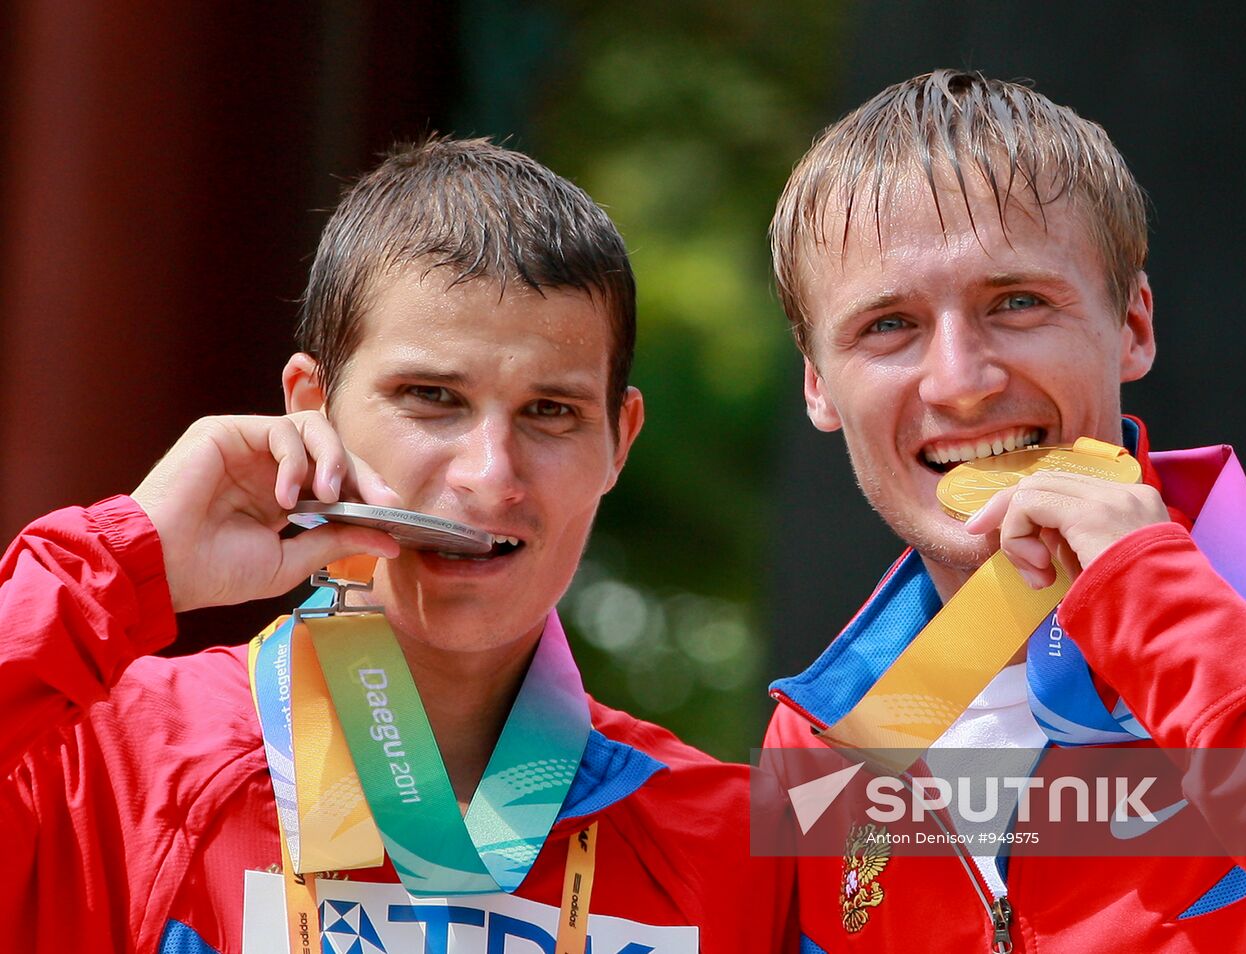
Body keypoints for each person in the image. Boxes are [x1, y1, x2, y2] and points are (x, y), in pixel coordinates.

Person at [0, 138, 793, 953]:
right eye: (432, 397)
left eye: (551, 411)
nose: (491, 476)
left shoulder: (739, 842)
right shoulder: (107, 767)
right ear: (312, 406)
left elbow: (915, 863)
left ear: (619, 442)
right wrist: (125, 562)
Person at [761, 70, 1246, 951]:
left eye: (1016, 302)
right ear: (817, 385)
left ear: (1133, 324)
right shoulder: (826, 740)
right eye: (887, 326)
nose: (961, 382)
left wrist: (1157, 606)